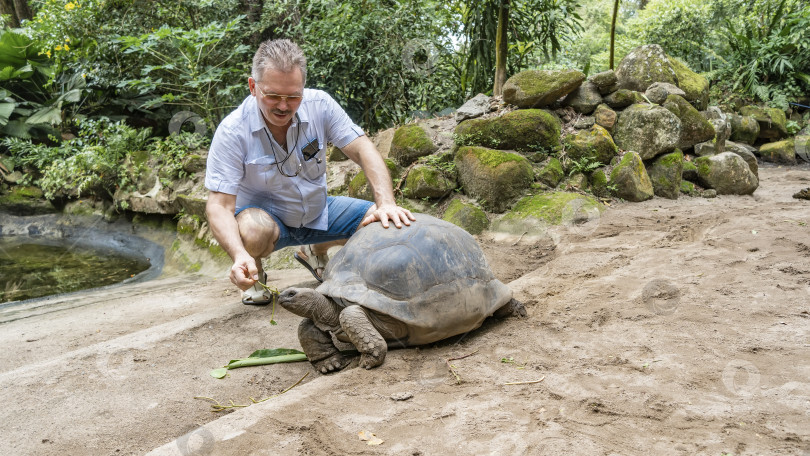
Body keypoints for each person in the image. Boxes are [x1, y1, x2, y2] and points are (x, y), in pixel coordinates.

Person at [205, 39, 415, 305]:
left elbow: (363, 149)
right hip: (270, 224)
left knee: (385, 223)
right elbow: (219, 206)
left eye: (293, 96)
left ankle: (314, 250)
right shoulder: (232, 131)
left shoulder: (321, 105)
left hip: (319, 212)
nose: (283, 106)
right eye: (273, 95)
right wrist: (238, 254)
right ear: (253, 87)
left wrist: (386, 203)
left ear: (303, 89)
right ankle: (253, 272)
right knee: (252, 231)